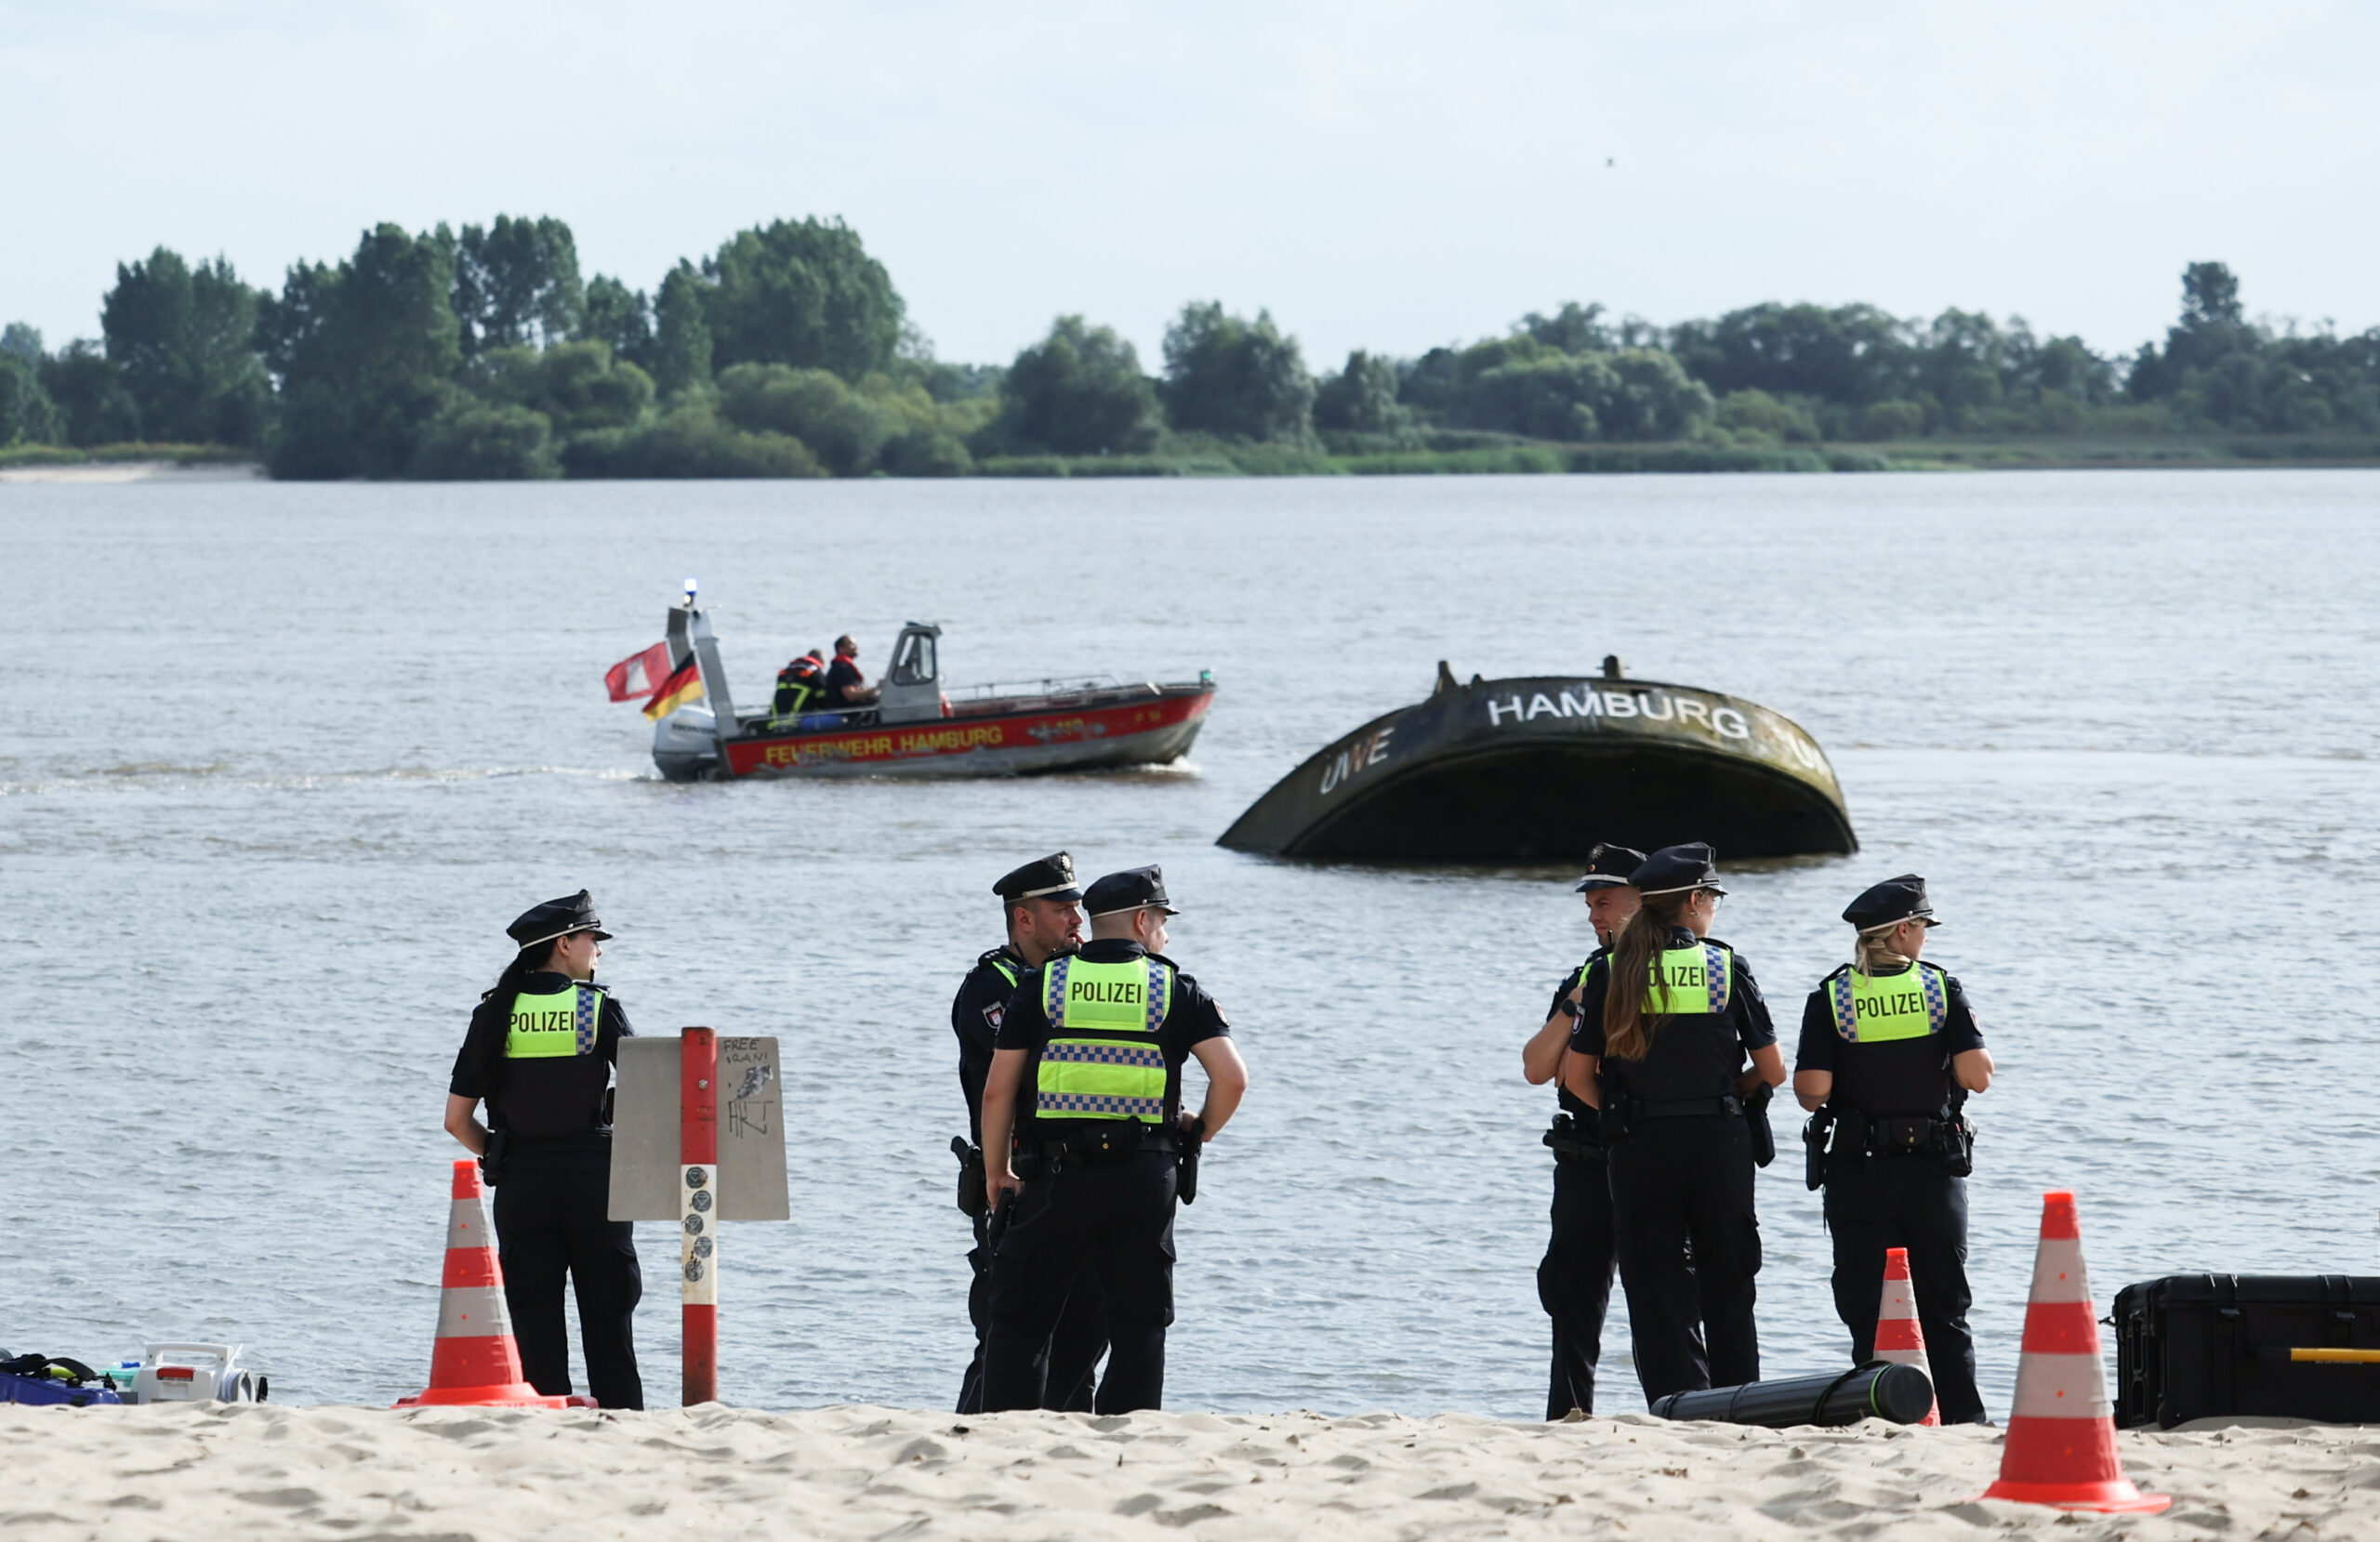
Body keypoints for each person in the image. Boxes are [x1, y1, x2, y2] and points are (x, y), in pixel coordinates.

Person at [977, 865, 1250, 1414]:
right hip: (1145, 1176)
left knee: (1022, 1320)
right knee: (1139, 1321)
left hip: (1056, 1177)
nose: (1166, 935)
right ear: (1144, 920)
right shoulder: (1174, 986)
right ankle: (1129, 1436)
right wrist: (1200, 1131)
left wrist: (996, 1170)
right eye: (1164, 922)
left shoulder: (1043, 984)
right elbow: (1232, 1078)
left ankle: (1003, 1436)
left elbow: (997, 1092)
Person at [1562, 843, 1786, 1404]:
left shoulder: (1611, 971)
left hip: (1641, 1148)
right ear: (1693, 901)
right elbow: (1773, 1069)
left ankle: (1677, 1406)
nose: (1714, 909)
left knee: (1656, 1284)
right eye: (1713, 898)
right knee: (1728, 1280)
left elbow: (1577, 1075)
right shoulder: (1725, 967)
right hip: (1719, 1144)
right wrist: (1730, 1096)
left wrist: (1621, 1116)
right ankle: (1739, 1399)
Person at [1793, 875, 1995, 1424]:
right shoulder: (1940, 989)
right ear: (1904, 931)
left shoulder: (1832, 996)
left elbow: (1812, 1094)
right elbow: (1977, 1077)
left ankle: (1883, 1414)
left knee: (1869, 1308)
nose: (1926, 937)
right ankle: (1963, 1420)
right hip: (1934, 1172)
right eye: (1923, 927)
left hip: (1860, 1175)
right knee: (1945, 1306)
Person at [443, 890, 642, 1409]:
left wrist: (502, 1157)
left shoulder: (496, 1014)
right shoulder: (593, 1008)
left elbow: (456, 1120)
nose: (599, 950)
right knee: (609, 1321)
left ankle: (547, 1424)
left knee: (534, 1325)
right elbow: (651, 1102)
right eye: (593, 938)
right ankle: (622, 1427)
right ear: (563, 944)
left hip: (522, 1185)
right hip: (595, 1185)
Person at [950, 851, 1107, 1415]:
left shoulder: (1077, 980)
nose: (1077, 920)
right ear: (1024, 918)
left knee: (1085, 1330)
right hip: (1015, 1176)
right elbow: (1021, 1078)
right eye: (1063, 908)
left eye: (1079, 908)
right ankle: (970, 1439)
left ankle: (1069, 1437)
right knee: (1008, 1331)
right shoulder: (991, 987)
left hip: (1076, 1177)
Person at [1520, 843, 1643, 1419]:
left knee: (1666, 1304)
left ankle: (1685, 1414)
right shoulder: (1586, 977)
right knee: (1572, 1301)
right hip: (1586, 1160)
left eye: (1605, 903)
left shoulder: (1683, 973)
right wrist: (1575, 1007)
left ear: (1643, 901)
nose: (1594, 916)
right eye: (1590, 905)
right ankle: (1569, 1417)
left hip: (1651, 1159)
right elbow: (1536, 1067)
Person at [825, 635, 879, 707]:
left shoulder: (844, 667)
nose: (856, 647)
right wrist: (876, 689)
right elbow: (851, 696)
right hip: (850, 714)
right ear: (841, 649)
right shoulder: (841, 668)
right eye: (852, 644)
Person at [774, 648, 826, 718]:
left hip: (778, 717)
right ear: (820, 661)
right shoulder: (814, 672)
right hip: (803, 720)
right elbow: (824, 700)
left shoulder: (783, 672)